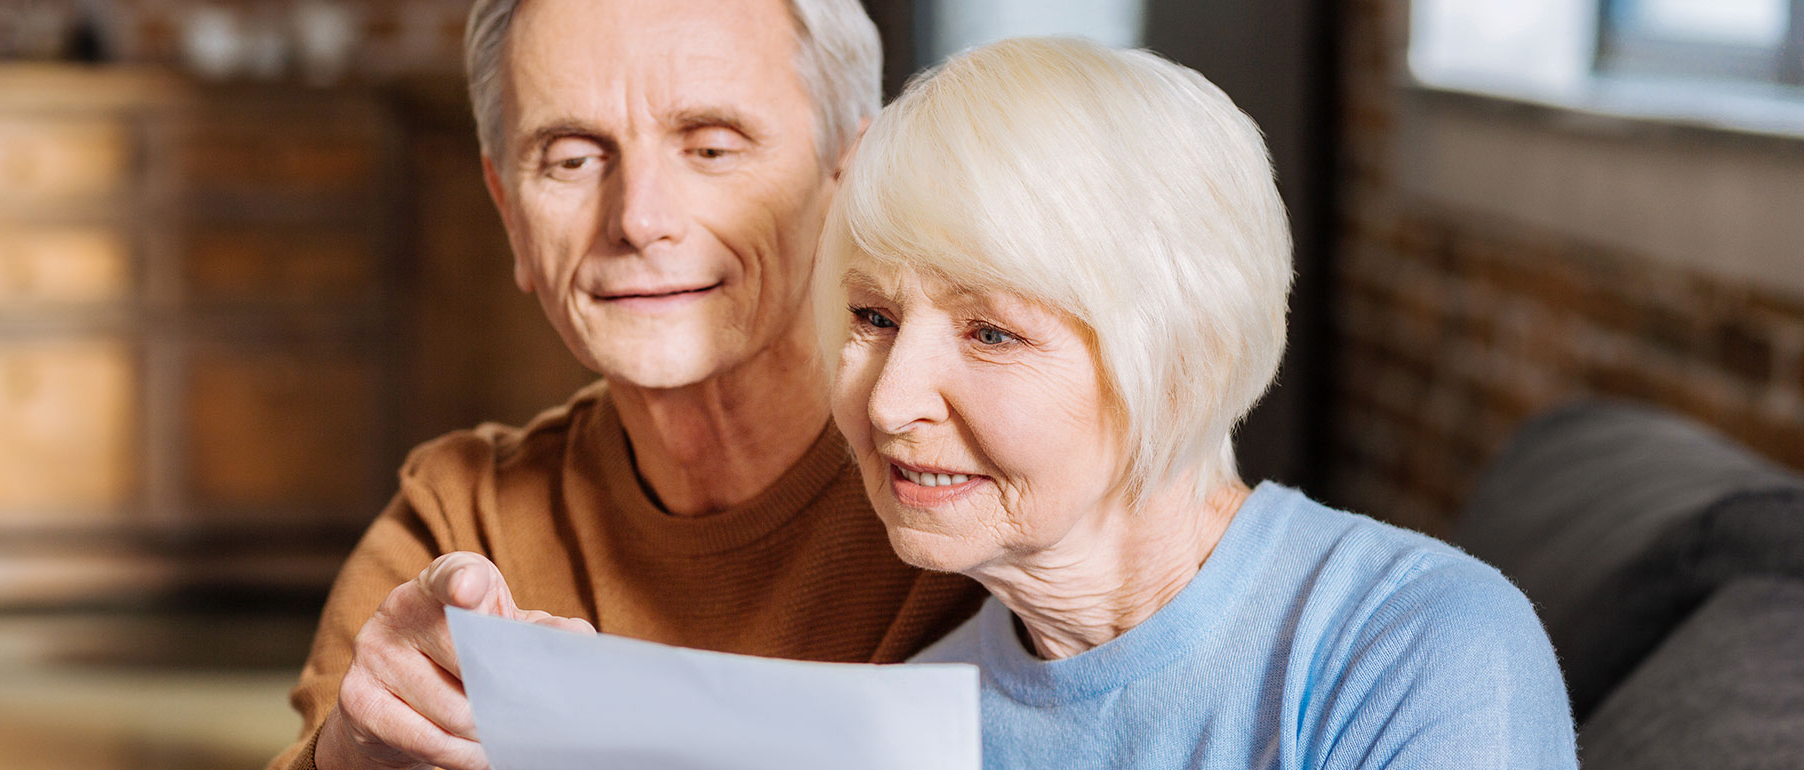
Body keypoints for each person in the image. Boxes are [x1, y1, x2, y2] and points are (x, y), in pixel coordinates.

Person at [817, 37, 1580, 769]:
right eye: (873, 318)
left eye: (990, 333)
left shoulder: (1416, 648)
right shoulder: (898, 727)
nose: (890, 403)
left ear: (1183, 362)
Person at [267, 2, 986, 769]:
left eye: (711, 148)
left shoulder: (995, 491)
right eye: (572, 160)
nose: (639, 220)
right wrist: (361, 750)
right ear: (510, 214)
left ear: (847, 174)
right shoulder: (458, 522)